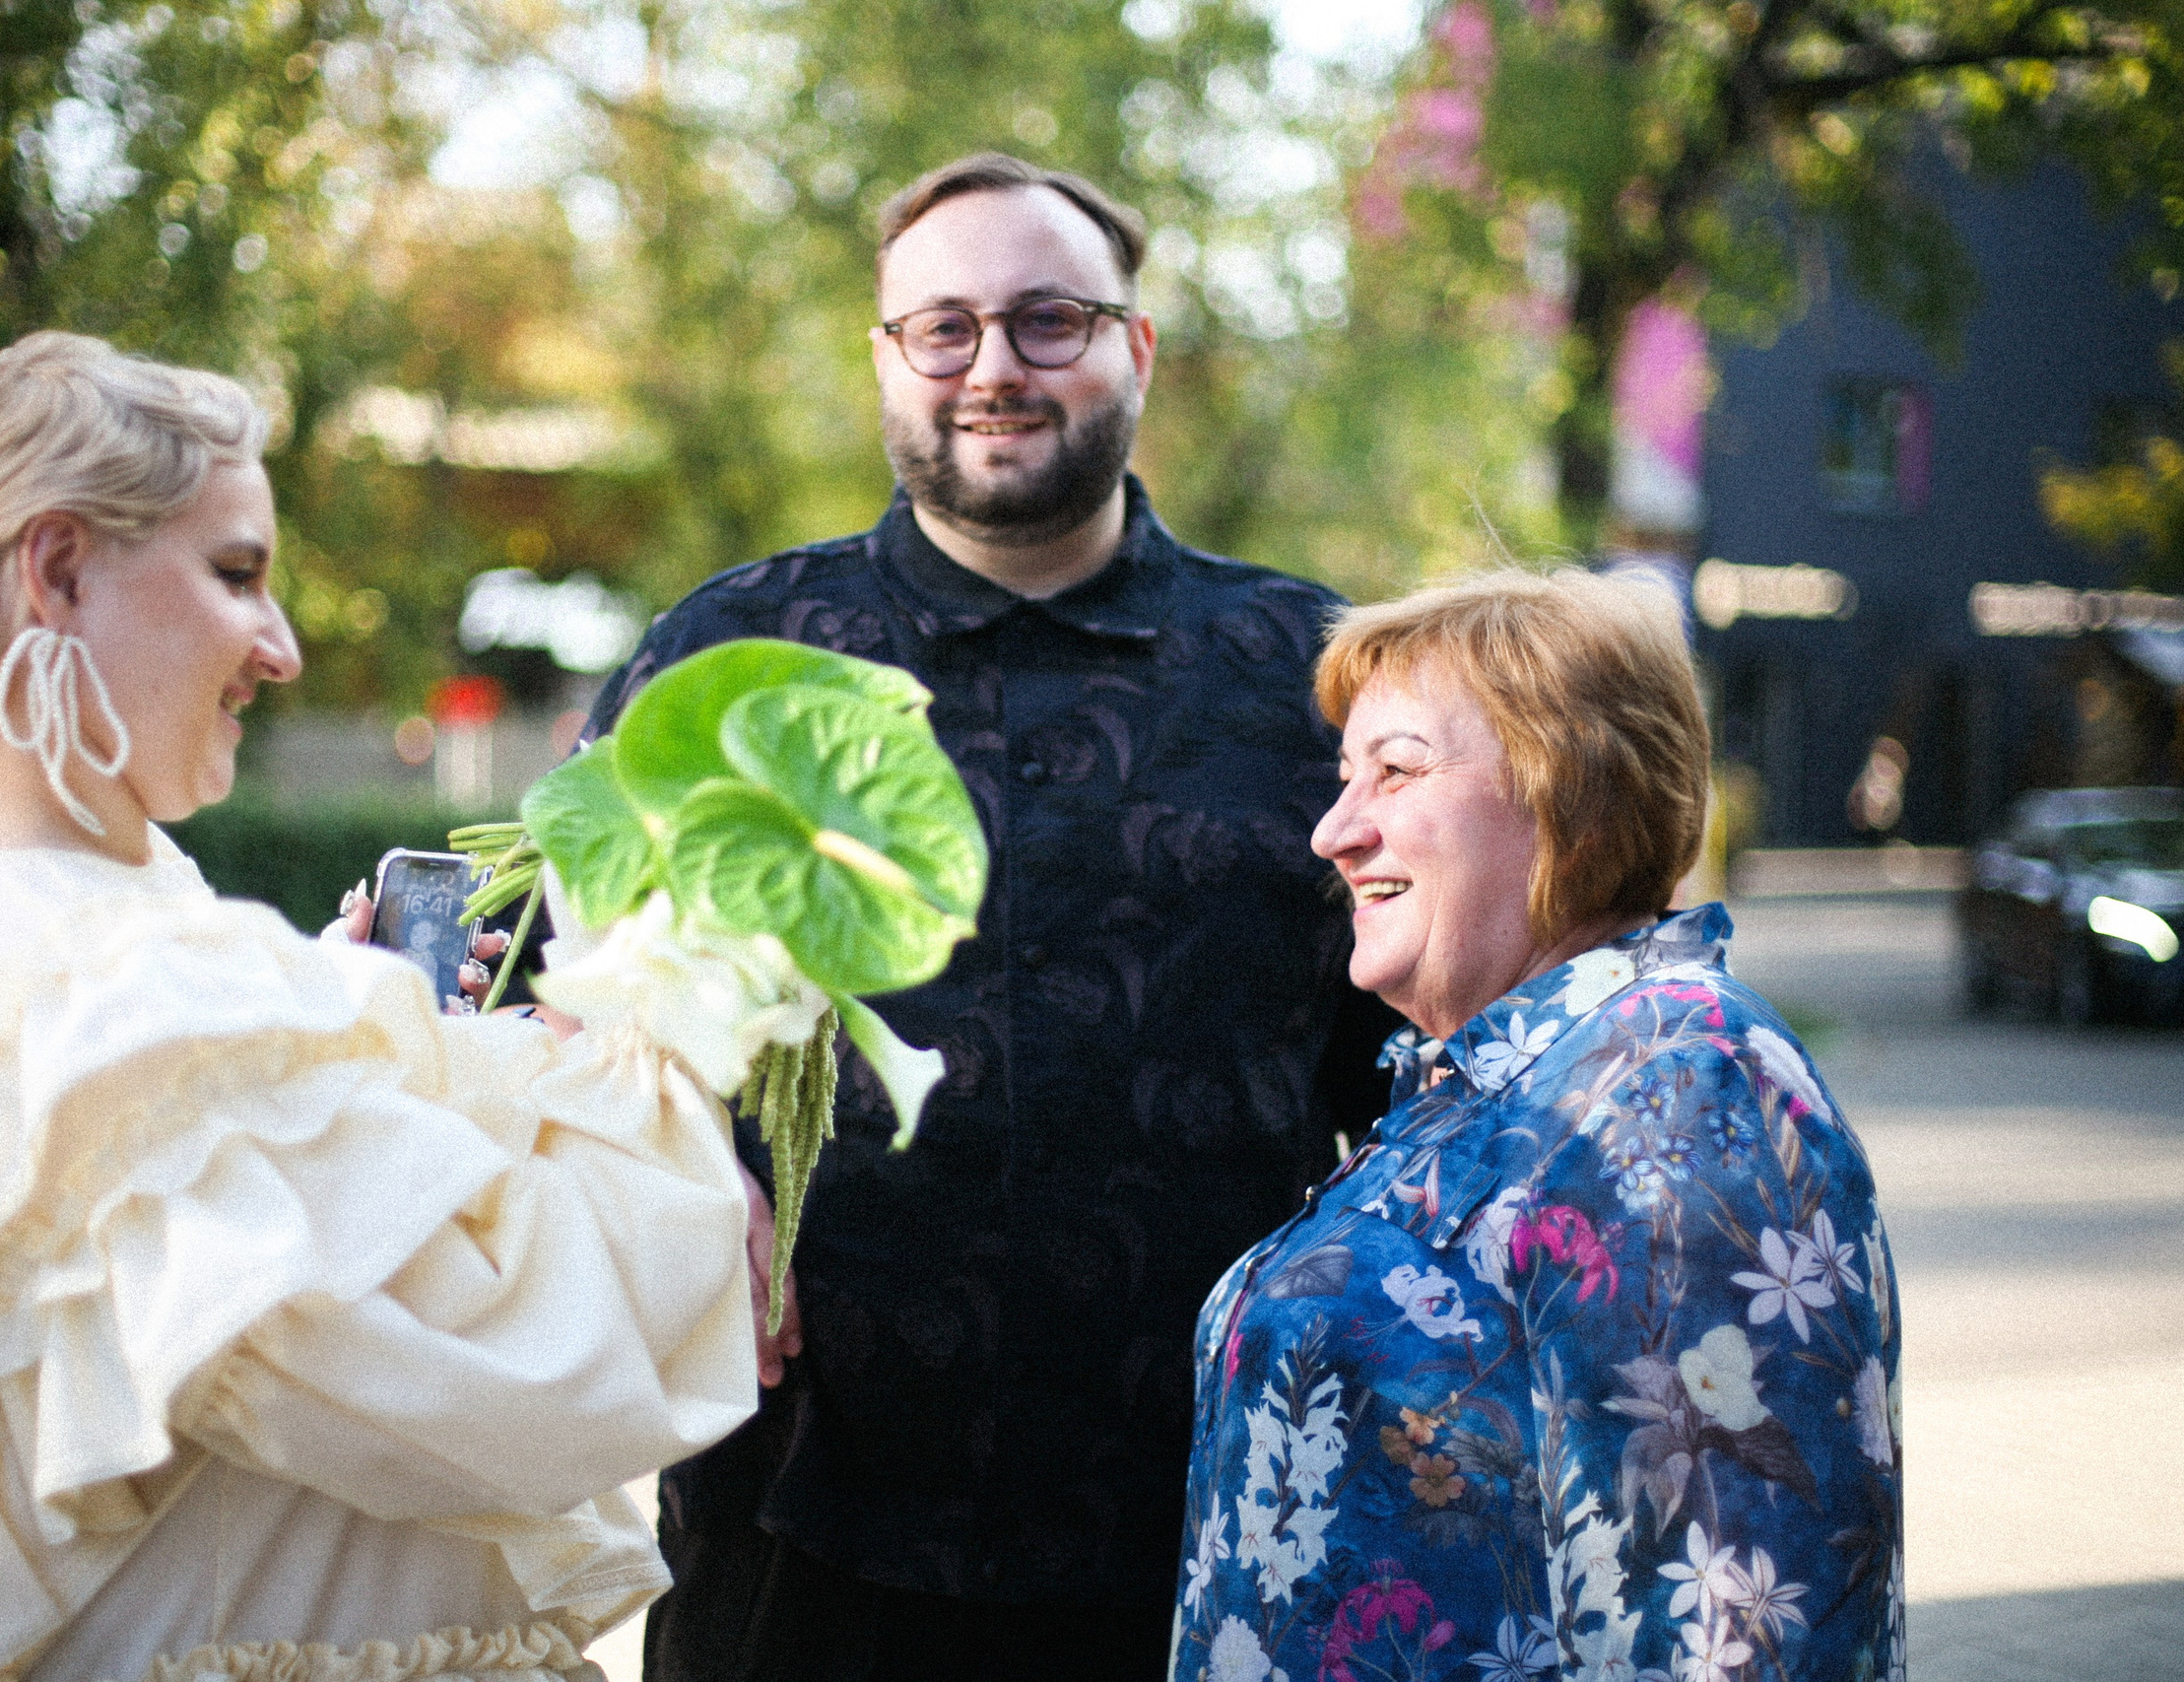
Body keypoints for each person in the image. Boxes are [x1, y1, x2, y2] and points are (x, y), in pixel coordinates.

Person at [0, 332, 764, 1680]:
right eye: (237, 574)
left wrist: (328, 1048)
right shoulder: (124, 986)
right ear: (59, 571)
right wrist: (637, 1027)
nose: (281, 646)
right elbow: (504, 1363)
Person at [584, 154, 1394, 1682]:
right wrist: (675, 1153)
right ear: (886, 360)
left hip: (1219, 1536)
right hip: (797, 1536)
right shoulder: (732, 656)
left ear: (1134, 347)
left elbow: (1426, 1065)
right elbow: (550, 996)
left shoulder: (1318, 672)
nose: (995, 367)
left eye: (1047, 320)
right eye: (944, 327)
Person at [1173, 570, 1903, 1682]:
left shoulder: (1676, 1086)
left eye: (1396, 770)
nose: (1332, 831)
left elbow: (1738, 1633)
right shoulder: (1502, 1079)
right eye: (1342, 777)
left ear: (1571, 792)